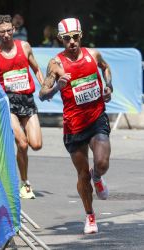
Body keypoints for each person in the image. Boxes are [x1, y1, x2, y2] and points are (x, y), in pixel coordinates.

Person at [39, 18, 113, 234]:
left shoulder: (94, 55)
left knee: (102, 163)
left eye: (75, 37)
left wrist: (109, 87)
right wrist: (56, 88)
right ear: (60, 39)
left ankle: (98, 177)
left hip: (97, 117)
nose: (71, 42)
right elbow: (42, 94)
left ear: (81, 36)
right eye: (66, 38)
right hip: (74, 126)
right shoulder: (56, 64)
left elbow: (106, 69)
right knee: (83, 175)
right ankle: (90, 216)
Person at [0, 14, 44, 199]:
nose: (7, 35)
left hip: (27, 100)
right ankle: (25, 183)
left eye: (9, 31)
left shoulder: (24, 47)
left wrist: (45, 87)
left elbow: (36, 69)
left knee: (36, 145)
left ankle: (23, 174)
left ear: (14, 30)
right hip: (8, 104)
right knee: (23, 144)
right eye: (2, 32)